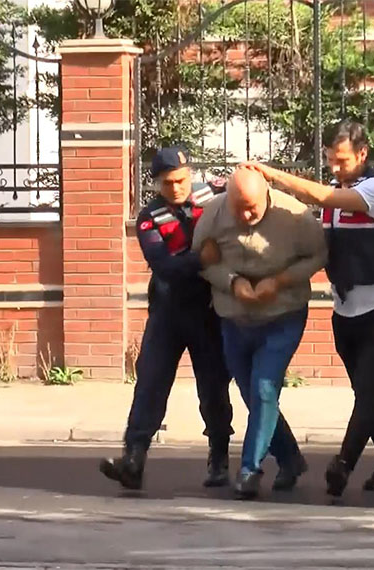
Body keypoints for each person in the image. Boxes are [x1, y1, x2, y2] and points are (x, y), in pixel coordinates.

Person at [244, 119, 374, 497]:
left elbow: (321, 197)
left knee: (367, 391)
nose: (335, 168)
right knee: (368, 393)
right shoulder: (336, 197)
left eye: (342, 161)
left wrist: (271, 174)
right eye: (330, 160)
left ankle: (343, 465)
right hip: (346, 314)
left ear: (362, 154)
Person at [100, 147, 233, 490]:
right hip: (168, 312)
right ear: (157, 183)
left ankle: (219, 458)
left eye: (181, 180)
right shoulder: (150, 217)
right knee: (150, 382)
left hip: (209, 311)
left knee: (213, 388)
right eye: (167, 183)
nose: (176, 188)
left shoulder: (214, 195)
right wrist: (201, 259)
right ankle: (133, 459)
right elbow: (165, 266)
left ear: (190, 174)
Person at [192, 168, 327, 499]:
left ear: (266, 196)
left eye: (252, 208)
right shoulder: (213, 213)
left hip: (282, 314)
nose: (245, 216)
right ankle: (290, 459)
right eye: (238, 208)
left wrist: (280, 281)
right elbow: (202, 260)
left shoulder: (294, 215)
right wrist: (232, 282)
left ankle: (250, 469)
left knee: (265, 388)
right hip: (234, 317)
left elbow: (319, 254)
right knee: (252, 395)